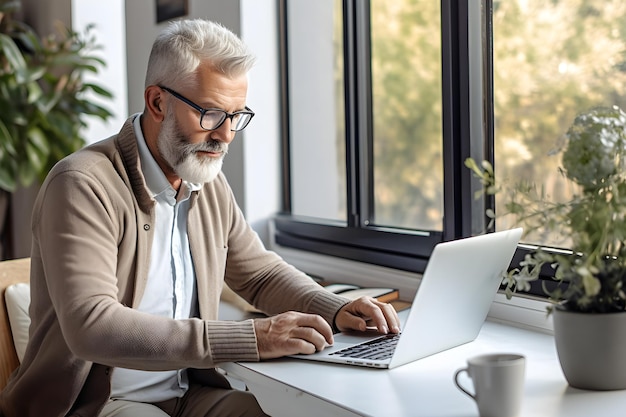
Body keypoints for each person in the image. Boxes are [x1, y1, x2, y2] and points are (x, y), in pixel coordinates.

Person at [0, 19, 400, 417]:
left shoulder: (205, 181)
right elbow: (93, 325)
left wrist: (333, 307)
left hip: (191, 392)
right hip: (96, 403)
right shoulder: (83, 183)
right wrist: (251, 337)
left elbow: (258, 274)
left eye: (236, 115)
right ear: (157, 102)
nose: (226, 135)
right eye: (210, 114)